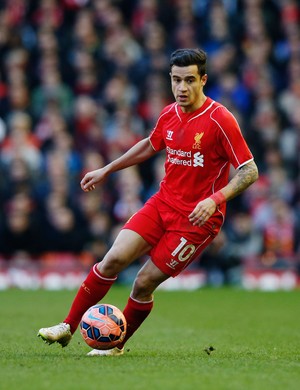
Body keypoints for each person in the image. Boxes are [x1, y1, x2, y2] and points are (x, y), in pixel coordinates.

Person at [38, 48, 259, 356]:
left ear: (203, 80)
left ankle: (114, 345)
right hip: (162, 203)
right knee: (112, 259)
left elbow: (250, 171)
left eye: (189, 81)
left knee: (143, 283)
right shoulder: (169, 112)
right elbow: (152, 143)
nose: (182, 88)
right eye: (176, 80)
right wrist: (107, 169)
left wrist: (215, 199)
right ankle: (67, 326)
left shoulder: (220, 119)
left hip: (197, 220)